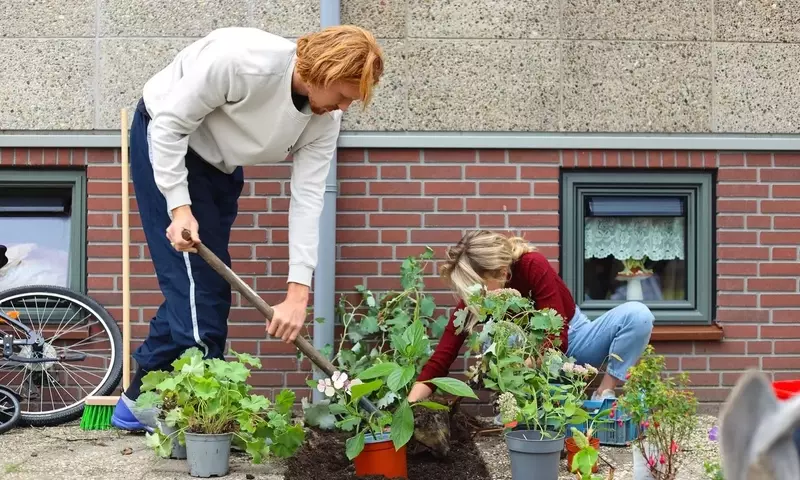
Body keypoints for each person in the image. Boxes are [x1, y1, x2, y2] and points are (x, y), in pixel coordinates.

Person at [111, 25, 384, 432]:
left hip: (220, 166)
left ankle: (135, 403)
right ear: (322, 72)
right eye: (343, 95)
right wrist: (180, 208)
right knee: (200, 292)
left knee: (204, 287)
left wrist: (297, 294)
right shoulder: (241, 62)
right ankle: (204, 425)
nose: (343, 107)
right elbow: (168, 127)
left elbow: (308, 200)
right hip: (166, 140)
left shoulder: (326, 120)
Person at [407, 230, 654, 409]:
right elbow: (442, 357)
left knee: (638, 315)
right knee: (497, 340)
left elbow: (557, 338)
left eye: (477, 284)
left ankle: (603, 393)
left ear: (500, 271)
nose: (473, 293)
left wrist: (518, 369)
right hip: (530, 364)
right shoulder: (478, 297)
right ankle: (522, 408)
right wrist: (409, 406)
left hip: (574, 338)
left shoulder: (532, 264)